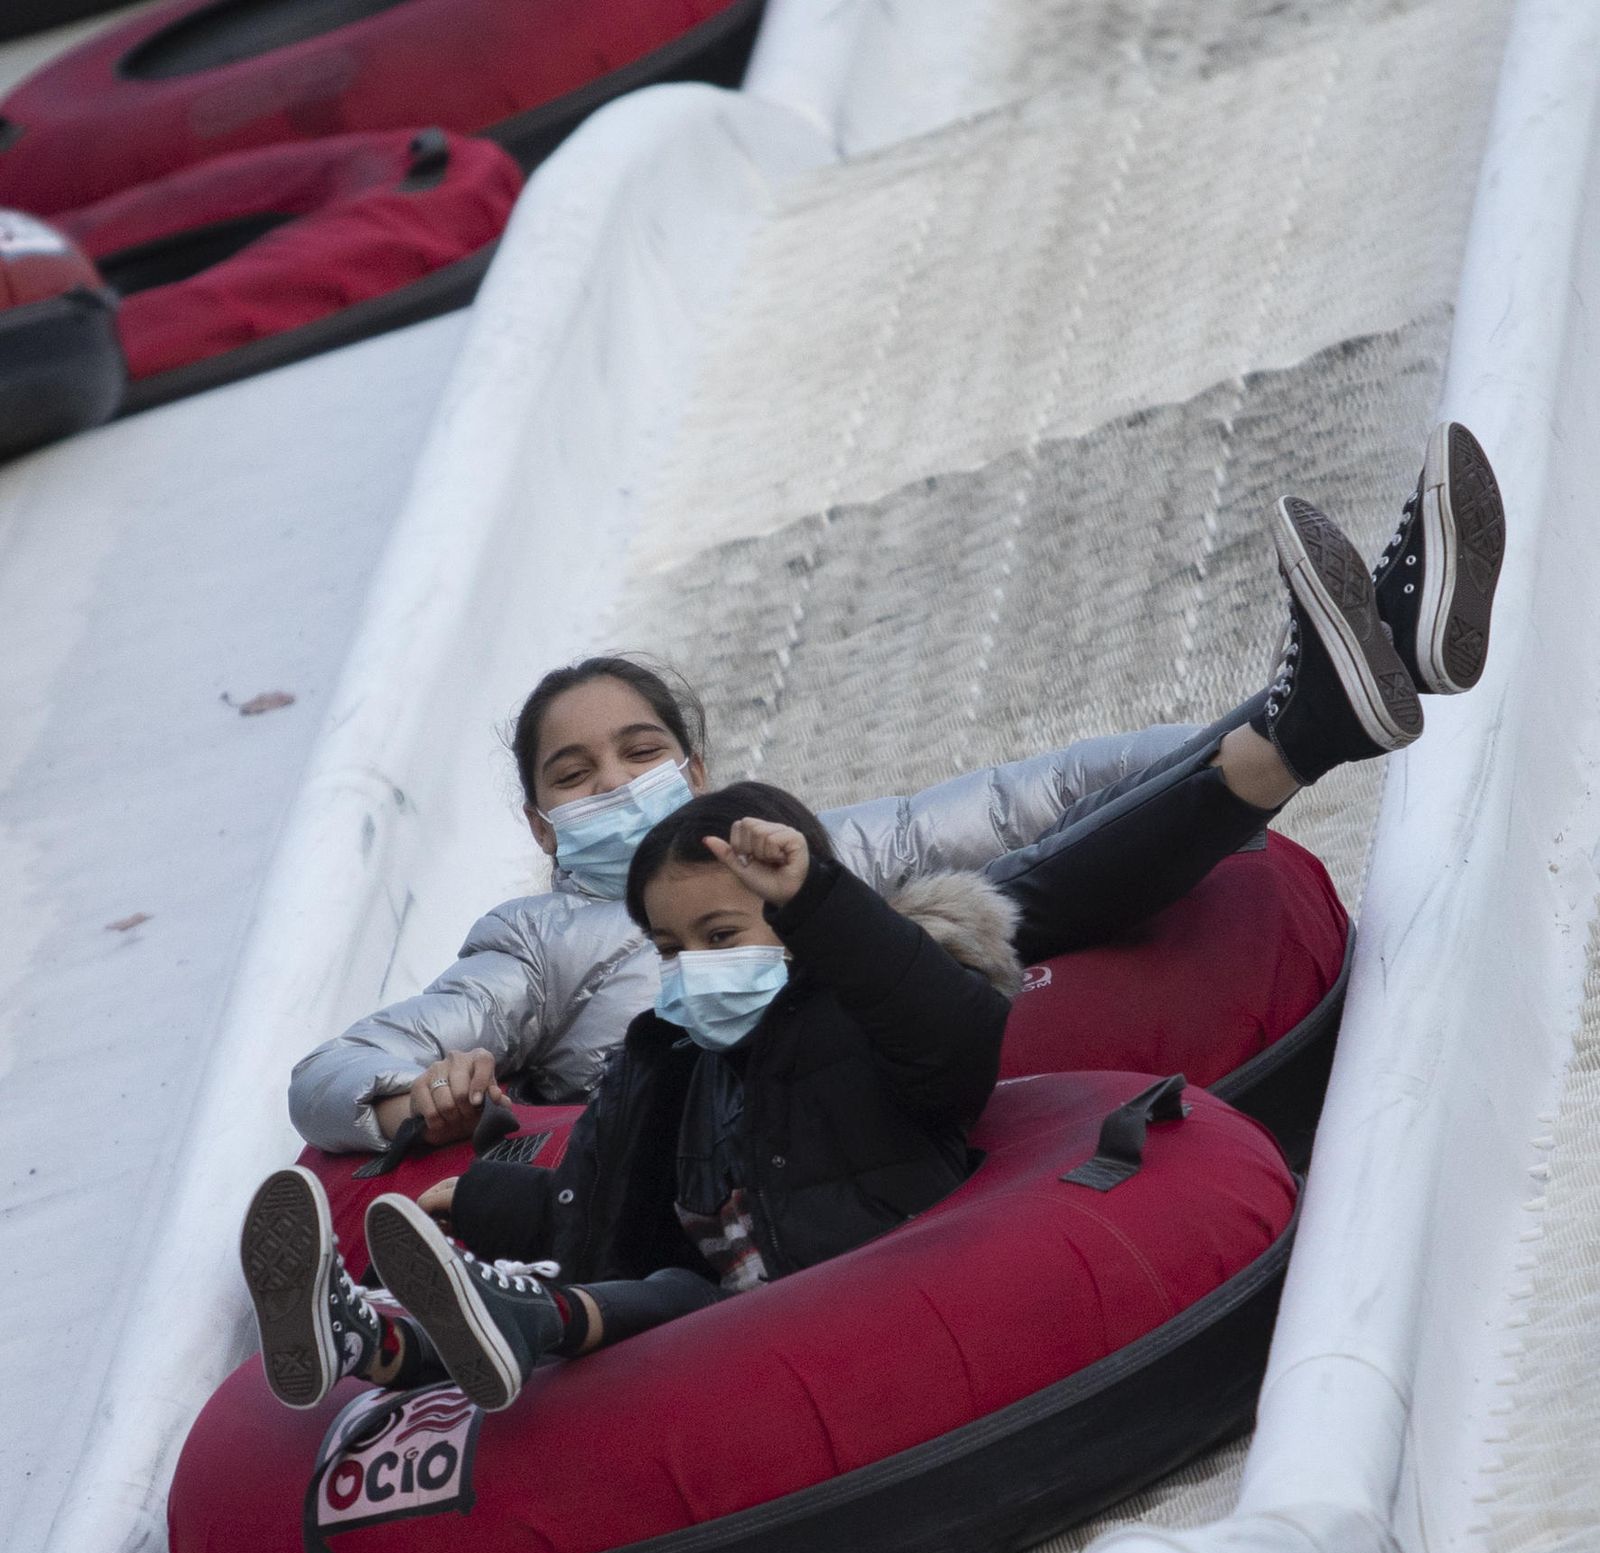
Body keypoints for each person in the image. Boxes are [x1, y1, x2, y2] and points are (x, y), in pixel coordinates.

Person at [286, 424, 1506, 1156]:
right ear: (541, 823)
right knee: (970, 910)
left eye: (637, 751)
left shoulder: (787, 854)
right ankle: (1322, 712)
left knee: (992, 878)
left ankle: (1356, 678)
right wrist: (405, 1103)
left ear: (692, 772)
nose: (614, 781)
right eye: (575, 773)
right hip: (739, 1124)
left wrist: (1240, 712)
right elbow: (330, 1071)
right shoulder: (540, 937)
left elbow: (1034, 796)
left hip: (876, 1051)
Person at [242, 783, 1020, 1412]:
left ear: (798, 922)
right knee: (657, 1289)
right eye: (671, 949)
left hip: (873, 1303)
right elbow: (609, 1209)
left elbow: (952, 1035)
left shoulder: (868, 1022)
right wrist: (485, 1200)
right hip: (720, 1339)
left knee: (676, 1295)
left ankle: (515, 1314)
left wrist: (819, 896)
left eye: (722, 936)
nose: (694, 966)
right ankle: (374, 1339)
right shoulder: (682, 1067)